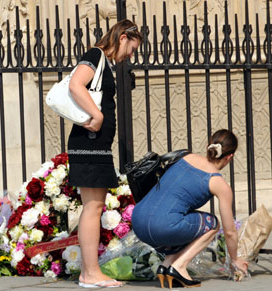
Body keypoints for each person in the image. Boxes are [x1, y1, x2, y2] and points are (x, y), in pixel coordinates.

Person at [67, 20, 142, 288]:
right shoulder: (95, 55)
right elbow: (76, 84)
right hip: (88, 144)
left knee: (94, 206)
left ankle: (90, 272)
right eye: (132, 49)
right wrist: (97, 115)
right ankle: (89, 274)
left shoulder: (103, 61)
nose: (130, 56)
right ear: (123, 37)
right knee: (93, 207)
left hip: (94, 145)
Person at [131, 129, 249, 288]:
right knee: (212, 224)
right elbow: (229, 231)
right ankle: (179, 267)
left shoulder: (185, 156)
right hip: (162, 226)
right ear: (230, 157)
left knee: (184, 217)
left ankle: (166, 265)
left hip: (138, 221)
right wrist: (235, 260)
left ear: (209, 145)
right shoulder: (218, 183)